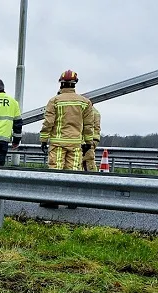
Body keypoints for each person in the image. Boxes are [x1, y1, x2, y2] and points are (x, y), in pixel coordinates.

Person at [39, 70, 94, 207]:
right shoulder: (85, 102)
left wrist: (44, 139)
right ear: (75, 84)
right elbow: (88, 125)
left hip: (57, 143)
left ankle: (52, 201)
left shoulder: (54, 101)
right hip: (76, 144)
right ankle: (71, 201)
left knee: (55, 171)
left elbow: (48, 122)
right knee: (73, 171)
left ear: (61, 84)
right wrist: (88, 142)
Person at [83, 105, 101, 171]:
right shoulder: (95, 111)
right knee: (89, 160)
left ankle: (89, 177)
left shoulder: (87, 111)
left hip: (88, 140)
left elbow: (87, 128)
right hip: (94, 139)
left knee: (86, 161)